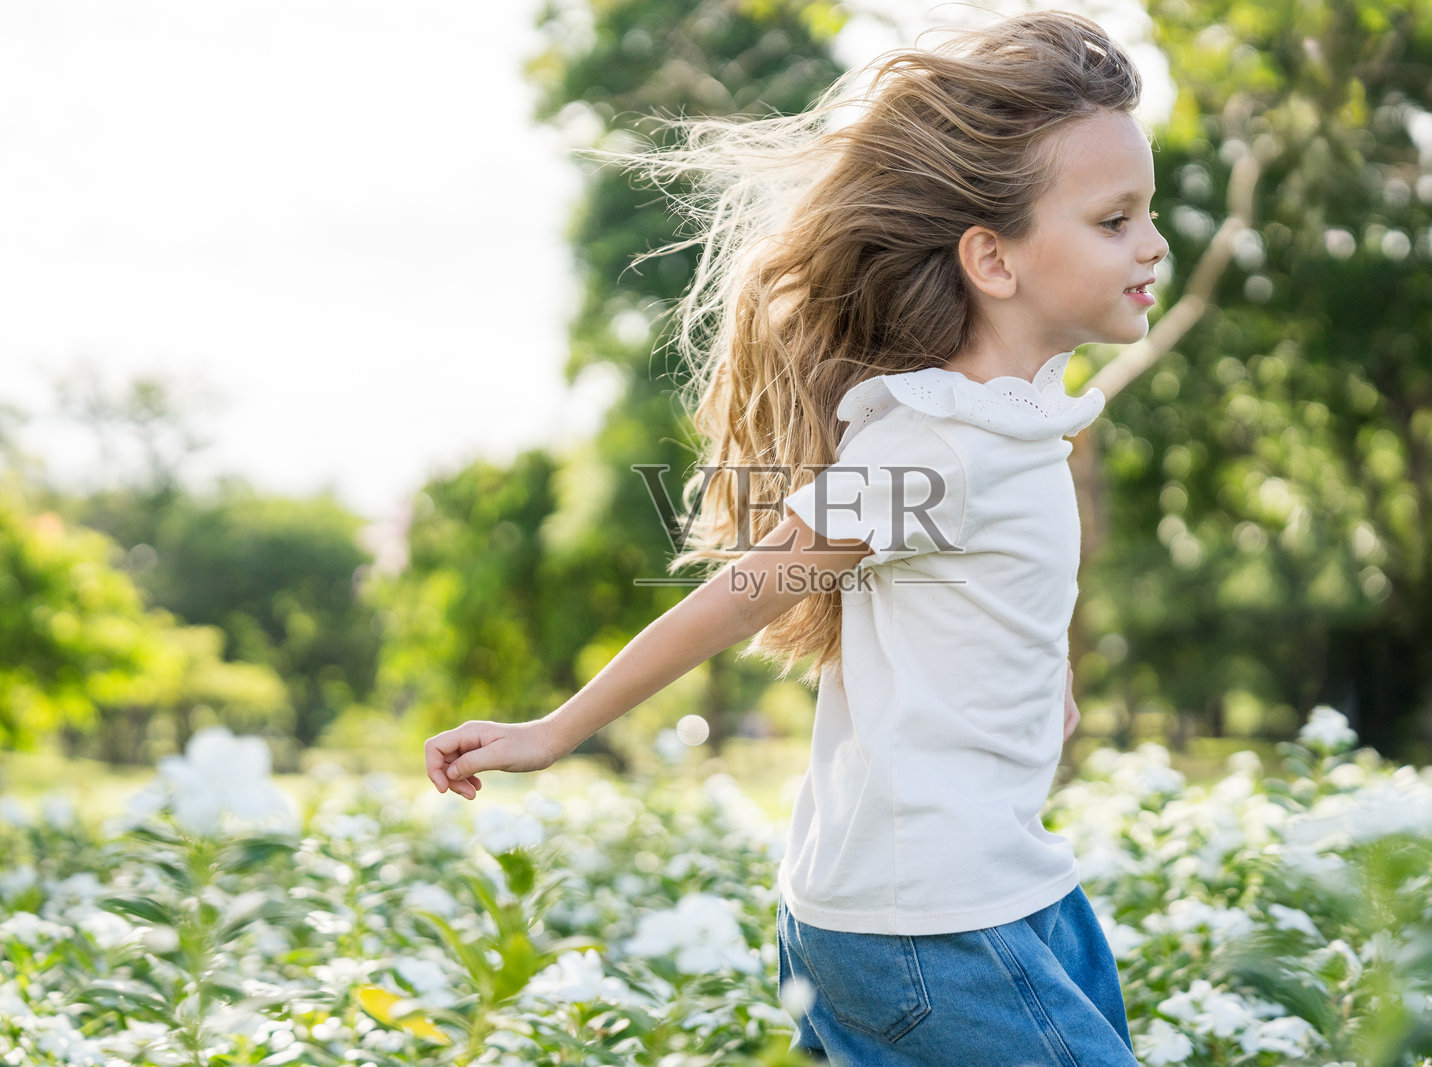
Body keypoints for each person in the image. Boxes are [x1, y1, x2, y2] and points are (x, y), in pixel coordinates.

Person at [424, 10, 1166, 1064]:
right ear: (992, 260)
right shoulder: (935, 444)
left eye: (1147, 212)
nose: (1153, 242)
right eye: (1113, 218)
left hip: (994, 886)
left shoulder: (1004, 422)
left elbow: (973, 593)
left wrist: (1035, 679)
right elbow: (751, 584)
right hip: (928, 925)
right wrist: (557, 727)